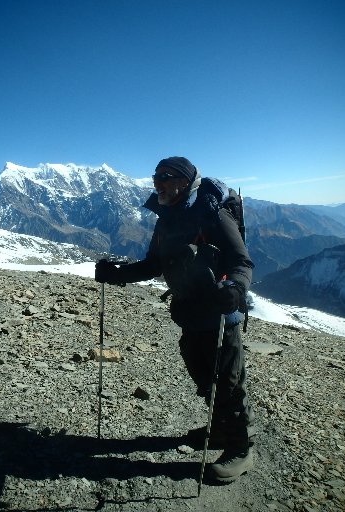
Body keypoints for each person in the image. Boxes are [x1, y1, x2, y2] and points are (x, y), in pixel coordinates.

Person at [95, 156, 255, 483]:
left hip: (220, 313)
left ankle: (240, 448)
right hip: (189, 312)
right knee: (203, 376)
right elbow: (155, 264)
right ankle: (221, 430)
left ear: (184, 181)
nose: (158, 183)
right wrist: (118, 274)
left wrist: (236, 288)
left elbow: (242, 262)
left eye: (165, 177)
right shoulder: (166, 218)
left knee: (226, 382)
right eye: (155, 178)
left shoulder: (213, 214)